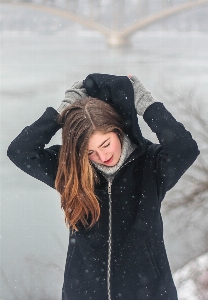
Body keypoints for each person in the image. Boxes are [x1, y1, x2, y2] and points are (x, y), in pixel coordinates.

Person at [7, 73, 200, 300]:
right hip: (84, 293)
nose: (102, 156)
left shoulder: (151, 165)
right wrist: (64, 111)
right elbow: (20, 151)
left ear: (118, 130)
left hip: (149, 293)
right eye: (90, 152)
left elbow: (185, 148)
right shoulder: (73, 171)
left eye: (105, 144)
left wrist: (145, 104)